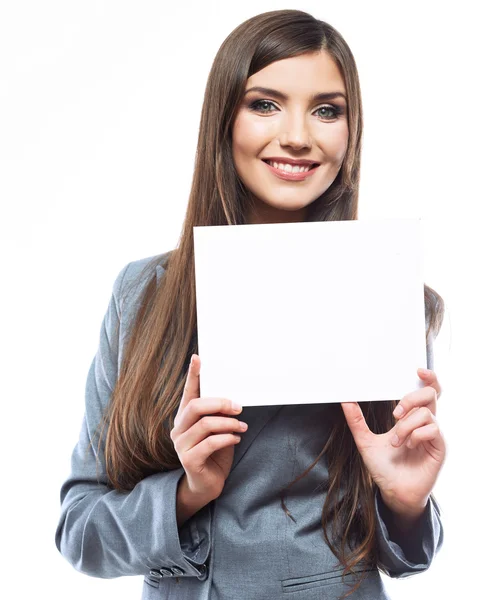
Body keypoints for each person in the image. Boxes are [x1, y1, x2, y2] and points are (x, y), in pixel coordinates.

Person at [55, 9, 446, 600]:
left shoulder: (389, 292)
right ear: (223, 119)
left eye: (327, 109)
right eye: (264, 104)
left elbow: (408, 548)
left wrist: (406, 500)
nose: (296, 135)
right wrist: (187, 492)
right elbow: (79, 531)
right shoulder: (144, 293)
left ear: (351, 131)